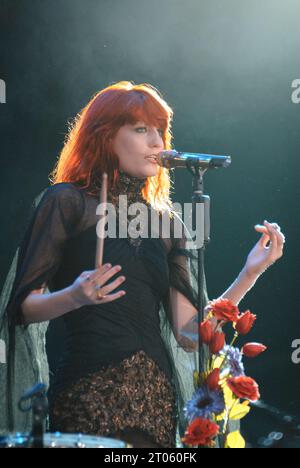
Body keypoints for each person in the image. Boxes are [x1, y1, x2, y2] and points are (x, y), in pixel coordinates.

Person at [0, 81, 285, 448]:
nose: (157, 143)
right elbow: (22, 308)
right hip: (88, 390)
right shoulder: (66, 202)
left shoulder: (170, 225)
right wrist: (74, 295)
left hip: (157, 399)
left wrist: (251, 273)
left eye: (160, 131)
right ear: (105, 137)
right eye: (141, 130)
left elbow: (189, 335)